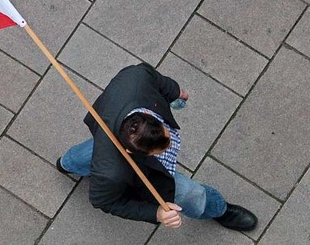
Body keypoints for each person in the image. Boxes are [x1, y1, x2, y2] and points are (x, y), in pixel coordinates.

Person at [56, 63, 256, 231]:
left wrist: (174, 90)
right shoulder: (110, 174)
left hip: (107, 129)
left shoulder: (137, 78)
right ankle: (217, 208)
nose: (169, 148)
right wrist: (156, 213)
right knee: (187, 192)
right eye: (160, 151)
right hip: (118, 161)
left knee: (97, 147)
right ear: (131, 152)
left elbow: (154, 77)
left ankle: (67, 163)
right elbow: (104, 202)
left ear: (149, 116)